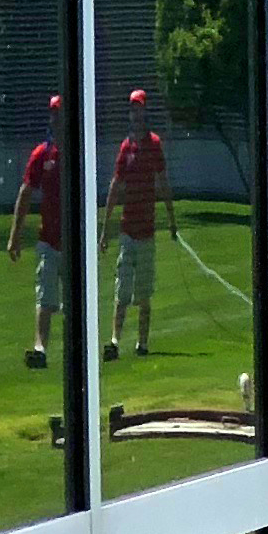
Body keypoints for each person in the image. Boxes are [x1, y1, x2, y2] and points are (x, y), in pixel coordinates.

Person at [103, 89, 177, 363]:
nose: (135, 113)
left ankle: (142, 342)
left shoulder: (154, 144)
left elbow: (163, 181)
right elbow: (116, 185)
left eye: (139, 108)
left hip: (146, 231)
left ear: (145, 112)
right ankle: (114, 340)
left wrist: (171, 219)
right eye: (132, 109)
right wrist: (105, 228)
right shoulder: (126, 148)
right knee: (122, 289)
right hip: (127, 229)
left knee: (143, 292)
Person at [7, 96, 66, 370]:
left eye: (60, 114)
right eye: (53, 114)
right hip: (48, 239)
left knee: (71, 300)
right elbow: (26, 192)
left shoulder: (79, 153)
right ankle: (40, 348)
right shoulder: (42, 154)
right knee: (45, 296)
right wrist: (15, 235)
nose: (55, 119)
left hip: (72, 241)